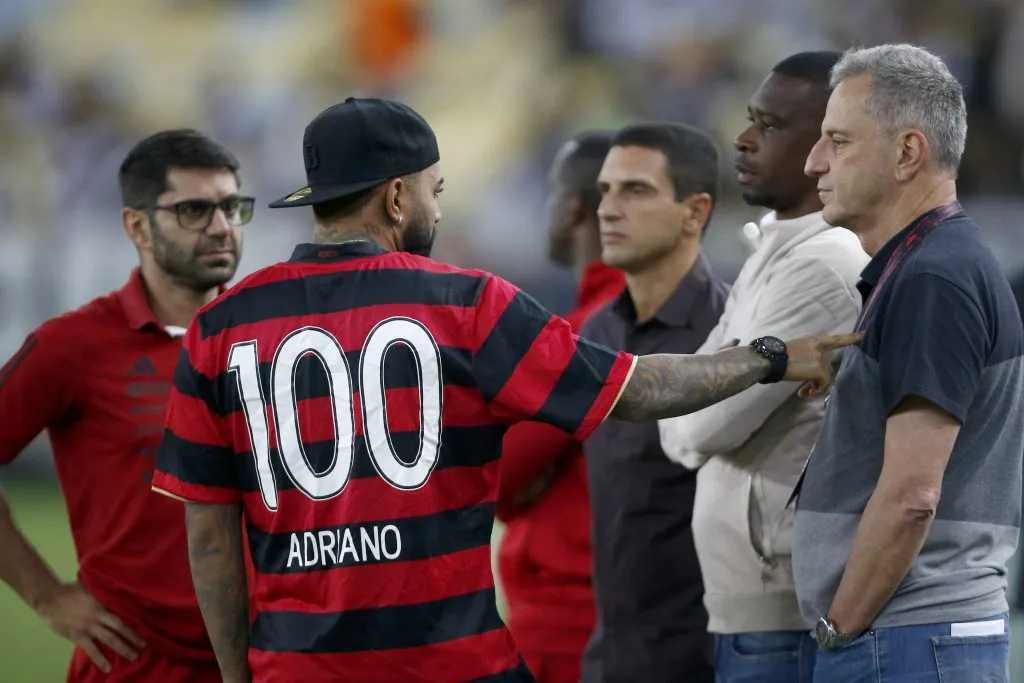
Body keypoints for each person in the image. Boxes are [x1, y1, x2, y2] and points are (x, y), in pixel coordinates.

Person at [150, 96, 858, 683]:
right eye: (435, 190)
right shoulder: (466, 303)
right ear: (398, 195)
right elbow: (637, 390)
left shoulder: (220, 327)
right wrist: (768, 356)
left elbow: (208, 539)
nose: (436, 207)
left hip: (296, 667)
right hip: (454, 664)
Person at [795, 44, 1024, 682]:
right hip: (913, 634)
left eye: (838, 141)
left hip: (907, 636)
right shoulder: (926, 266)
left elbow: (912, 498)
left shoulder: (933, 277)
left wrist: (839, 626)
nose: (815, 162)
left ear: (907, 153)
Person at [0, 129, 249, 682]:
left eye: (232, 207)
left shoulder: (271, 335)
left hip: (267, 660)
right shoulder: (73, 346)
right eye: (194, 210)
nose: (221, 227)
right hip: (136, 665)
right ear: (136, 225)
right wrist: (47, 597)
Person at [657, 51, 868, 683]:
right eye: (751, 120)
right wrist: (686, 403)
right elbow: (687, 401)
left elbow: (697, 425)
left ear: (828, 147)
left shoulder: (822, 265)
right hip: (755, 606)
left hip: (784, 611)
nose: (743, 141)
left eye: (770, 126)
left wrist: (686, 403)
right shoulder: (775, 248)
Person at [579, 121, 728, 683]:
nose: (609, 209)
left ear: (695, 212)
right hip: (611, 657)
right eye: (605, 191)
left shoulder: (728, 334)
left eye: (635, 190)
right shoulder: (597, 332)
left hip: (707, 661)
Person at [495, 130, 624, 683]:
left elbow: (496, 478)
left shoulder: (586, 335)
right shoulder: (691, 313)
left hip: (570, 625)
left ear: (572, 207)